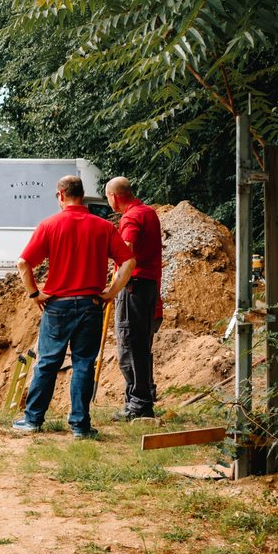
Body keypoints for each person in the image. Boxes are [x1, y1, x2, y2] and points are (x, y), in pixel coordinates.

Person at [12, 175, 136, 439]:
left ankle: (33, 420)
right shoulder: (103, 227)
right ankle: (80, 426)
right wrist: (110, 294)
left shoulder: (49, 225)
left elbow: (23, 264)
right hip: (91, 305)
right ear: (82, 194)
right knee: (83, 364)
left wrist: (35, 294)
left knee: (47, 363)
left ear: (60, 195)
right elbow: (128, 262)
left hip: (57, 306)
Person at [104, 177, 163, 420]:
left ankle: (138, 405)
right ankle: (143, 396)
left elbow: (125, 251)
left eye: (107, 197)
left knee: (130, 345)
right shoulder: (149, 212)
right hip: (148, 287)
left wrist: (112, 290)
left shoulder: (130, 218)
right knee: (141, 345)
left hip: (133, 288)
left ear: (114, 197)